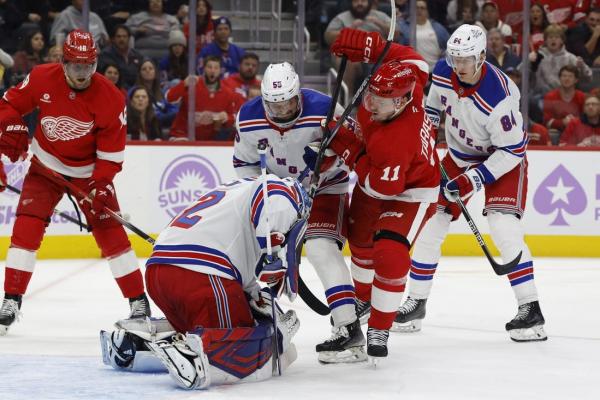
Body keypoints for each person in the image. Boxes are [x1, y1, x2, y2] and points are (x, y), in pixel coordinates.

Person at [395, 24, 547, 343]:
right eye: (454, 58)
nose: (457, 66)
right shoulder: (443, 72)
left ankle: (530, 308)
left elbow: (513, 149)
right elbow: (432, 111)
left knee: (503, 226)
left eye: (464, 60)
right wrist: (423, 149)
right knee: (430, 222)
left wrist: (473, 179)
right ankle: (417, 301)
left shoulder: (499, 97)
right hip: (460, 155)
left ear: (480, 57)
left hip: (502, 160)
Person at [0, 29, 151, 336]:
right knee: (26, 226)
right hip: (45, 167)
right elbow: (7, 104)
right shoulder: (42, 77)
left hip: (88, 174)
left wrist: (101, 184)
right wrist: (11, 122)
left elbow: (111, 156)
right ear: (64, 62)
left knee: (111, 234)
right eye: (76, 67)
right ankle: (11, 299)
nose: (83, 75)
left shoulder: (111, 98)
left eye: (88, 67)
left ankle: (138, 300)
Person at [101, 176, 307, 389]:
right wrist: (272, 251)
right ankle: (195, 358)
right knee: (246, 346)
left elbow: (240, 262)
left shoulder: (235, 189)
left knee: (198, 330)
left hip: (159, 273)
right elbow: (273, 194)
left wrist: (254, 295)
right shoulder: (284, 189)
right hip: (202, 276)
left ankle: (137, 342)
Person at [233, 62, 366, 364]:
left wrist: (331, 160)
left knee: (321, 250)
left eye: (287, 104)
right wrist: (263, 194)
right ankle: (253, 321)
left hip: (324, 190)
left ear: (298, 96)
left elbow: (355, 152)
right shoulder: (249, 117)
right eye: (274, 105)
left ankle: (348, 327)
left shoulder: (325, 109)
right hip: (277, 196)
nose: (280, 112)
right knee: (260, 256)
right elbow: (244, 165)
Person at [324, 28, 439, 360]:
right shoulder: (403, 87)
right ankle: (362, 298)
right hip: (379, 174)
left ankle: (379, 325)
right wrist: (368, 46)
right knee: (359, 243)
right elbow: (415, 59)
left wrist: (348, 150)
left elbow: (381, 185)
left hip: (411, 192)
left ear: (402, 101)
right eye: (369, 95)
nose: (370, 103)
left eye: (380, 100)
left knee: (389, 252)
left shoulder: (396, 140)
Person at [167, 56, 239, 141]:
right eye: (209, 67)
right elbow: (170, 99)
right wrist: (184, 84)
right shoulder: (192, 84)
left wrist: (226, 117)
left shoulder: (227, 93)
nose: (212, 71)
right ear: (204, 69)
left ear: (220, 70)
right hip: (182, 134)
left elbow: (232, 119)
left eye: (216, 68)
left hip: (210, 140)